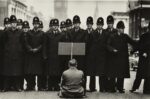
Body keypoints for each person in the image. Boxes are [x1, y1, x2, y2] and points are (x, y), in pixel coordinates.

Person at [106, 21, 136, 93]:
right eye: (121, 28)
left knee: (121, 74)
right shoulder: (112, 36)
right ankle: (112, 88)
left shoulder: (125, 36)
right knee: (113, 74)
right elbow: (107, 45)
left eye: (123, 28)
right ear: (118, 29)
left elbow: (133, 42)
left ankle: (120, 88)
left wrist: (139, 44)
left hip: (122, 59)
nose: (122, 30)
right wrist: (113, 50)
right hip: (114, 58)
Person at [2, 15, 24, 92]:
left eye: (15, 23)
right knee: (7, 72)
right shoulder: (6, 32)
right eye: (12, 23)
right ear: (10, 24)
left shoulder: (20, 32)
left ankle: (17, 87)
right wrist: (6, 50)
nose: (13, 24)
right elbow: (3, 43)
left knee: (17, 72)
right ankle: (5, 87)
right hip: (8, 55)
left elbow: (22, 43)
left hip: (17, 55)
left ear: (16, 23)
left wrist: (20, 51)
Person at [24, 17, 44, 91]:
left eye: (37, 24)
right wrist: (30, 49)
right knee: (31, 72)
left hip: (38, 55)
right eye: (34, 24)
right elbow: (26, 43)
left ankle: (40, 86)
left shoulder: (42, 33)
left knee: (39, 72)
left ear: (38, 24)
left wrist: (37, 49)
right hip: (31, 55)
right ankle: (30, 85)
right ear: (32, 24)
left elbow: (43, 44)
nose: (36, 25)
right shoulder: (29, 33)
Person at [130, 22, 150, 94]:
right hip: (143, 58)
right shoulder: (144, 36)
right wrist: (134, 51)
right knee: (140, 74)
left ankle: (146, 89)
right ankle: (135, 87)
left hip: (147, 59)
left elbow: (139, 45)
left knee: (148, 75)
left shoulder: (143, 36)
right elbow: (139, 45)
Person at [45, 18, 62, 91]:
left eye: (56, 25)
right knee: (50, 72)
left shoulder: (61, 35)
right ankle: (49, 86)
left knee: (57, 73)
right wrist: (45, 56)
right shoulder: (47, 34)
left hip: (58, 57)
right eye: (54, 25)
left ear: (58, 26)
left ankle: (56, 86)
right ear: (52, 26)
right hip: (50, 56)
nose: (55, 27)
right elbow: (45, 46)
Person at [85, 16, 96, 92]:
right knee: (85, 72)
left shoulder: (95, 33)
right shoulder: (83, 32)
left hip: (93, 56)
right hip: (85, 55)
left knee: (93, 72)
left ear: (92, 24)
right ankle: (84, 87)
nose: (89, 25)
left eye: (90, 24)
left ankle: (92, 87)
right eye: (88, 24)